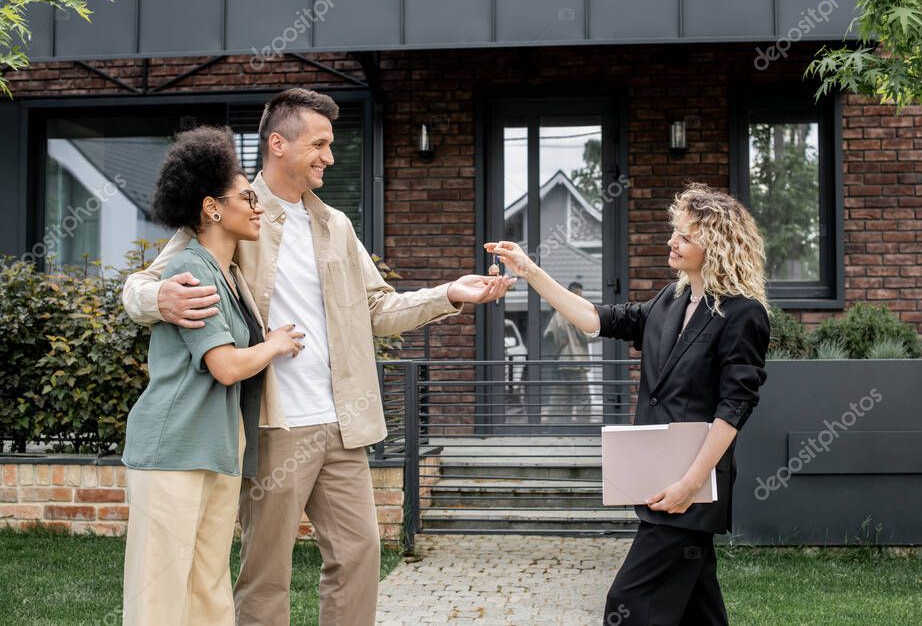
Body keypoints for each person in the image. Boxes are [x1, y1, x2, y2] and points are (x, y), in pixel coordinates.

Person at [122, 88, 514, 626]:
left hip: (341, 422)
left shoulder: (336, 225)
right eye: (320, 143)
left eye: (332, 144)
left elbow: (377, 308)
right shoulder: (233, 209)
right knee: (265, 574)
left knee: (359, 556)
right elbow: (144, 284)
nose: (330, 156)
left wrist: (448, 294)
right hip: (272, 424)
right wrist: (157, 299)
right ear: (278, 143)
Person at [487, 183, 770, 625]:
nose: (672, 242)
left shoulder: (743, 314)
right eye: (675, 232)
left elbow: (733, 408)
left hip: (689, 490)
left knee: (628, 604)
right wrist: (530, 271)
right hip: (661, 484)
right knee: (700, 609)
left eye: (686, 236)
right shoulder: (669, 300)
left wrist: (690, 485)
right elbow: (594, 319)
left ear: (715, 247)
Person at [121, 126, 304, 625]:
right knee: (157, 599)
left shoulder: (232, 275)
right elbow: (224, 366)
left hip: (218, 451)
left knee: (208, 594)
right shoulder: (191, 268)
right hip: (172, 450)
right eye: (247, 195)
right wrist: (275, 345)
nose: (257, 205)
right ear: (212, 208)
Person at [543, 281, 594, 422]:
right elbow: (585, 335)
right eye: (579, 294)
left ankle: (563, 424)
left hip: (563, 362)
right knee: (583, 397)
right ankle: (583, 426)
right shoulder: (575, 312)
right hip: (576, 362)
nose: (581, 297)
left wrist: (559, 342)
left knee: (565, 395)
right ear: (573, 293)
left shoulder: (558, 313)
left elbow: (547, 335)